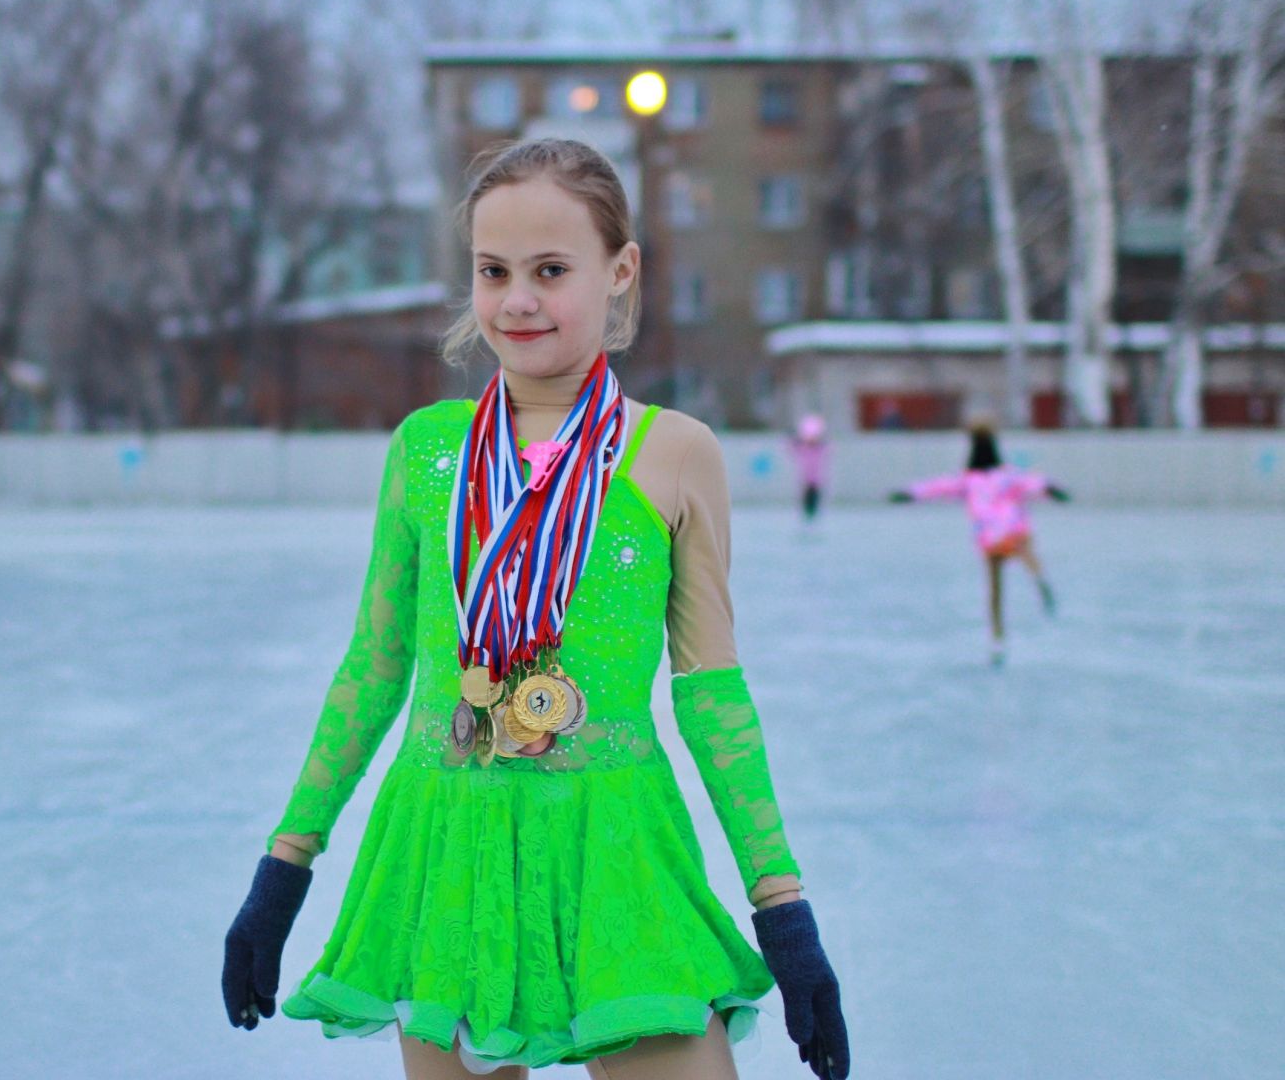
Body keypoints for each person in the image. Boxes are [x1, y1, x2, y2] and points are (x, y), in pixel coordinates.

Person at [223, 139, 848, 1080]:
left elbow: (711, 691)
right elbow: (375, 667)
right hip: (449, 842)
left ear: (620, 270)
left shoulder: (674, 454)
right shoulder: (428, 453)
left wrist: (782, 907)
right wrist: (285, 867)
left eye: (551, 271)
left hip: (616, 851)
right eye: (493, 271)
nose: (517, 301)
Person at [889, 419, 1069, 664]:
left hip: (989, 536)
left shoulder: (969, 480)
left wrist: (909, 493)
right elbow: (1033, 483)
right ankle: (1037, 575)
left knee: (995, 590)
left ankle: (997, 639)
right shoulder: (1007, 476)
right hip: (1013, 528)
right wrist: (1053, 490)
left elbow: (938, 487)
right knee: (1026, 550)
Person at [787, 415, 829, 524]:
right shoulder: (803, 447)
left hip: (816, 480)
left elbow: (827, 448)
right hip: (805, 480)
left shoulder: (820, 448)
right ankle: (807, 517)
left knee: (814, 500)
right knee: (806, 501)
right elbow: (790, 447)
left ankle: (812, 516)